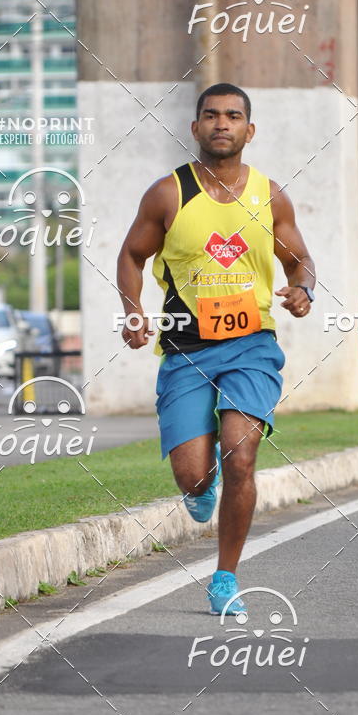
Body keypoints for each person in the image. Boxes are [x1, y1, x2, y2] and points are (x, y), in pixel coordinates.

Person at [117, 82, 316, 614]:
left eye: (232, 116)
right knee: (194, 475)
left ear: (250, 130)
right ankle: (199, 487)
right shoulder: (168, 194)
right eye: (211, 115)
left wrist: (303, 289)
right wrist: (134, 310)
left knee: (240, 454)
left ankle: (225, 578)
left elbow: (299, 260)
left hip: (251, 345)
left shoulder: (270, 196)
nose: (221, 123)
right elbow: (132, 255)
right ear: (195, 127)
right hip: (186, 350)